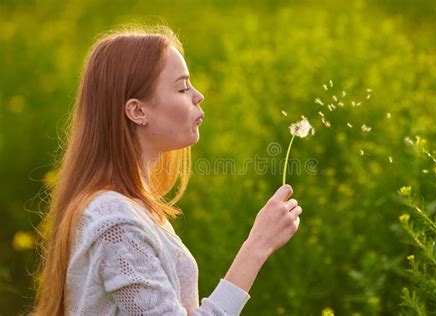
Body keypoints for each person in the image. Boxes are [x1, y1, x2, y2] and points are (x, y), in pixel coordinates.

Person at [32, 26, 303, 316]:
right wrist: (256, 247)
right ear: (137, 111)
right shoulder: (116, 222)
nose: (198, 95)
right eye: (182, 87)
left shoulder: (132, 212)